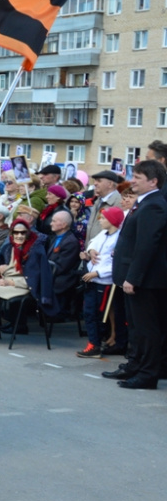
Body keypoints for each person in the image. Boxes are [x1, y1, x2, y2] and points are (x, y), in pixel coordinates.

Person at [105, 161, 167, 390]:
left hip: (146, 280)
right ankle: (135, 365)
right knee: (135, 327)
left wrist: (133, 277)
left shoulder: (154, 205)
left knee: (146, 329)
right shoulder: (144, 202)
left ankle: (148, 374)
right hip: (136, 277)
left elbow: (146, 246)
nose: (133, 181)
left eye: (138, 177)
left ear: (153, 181)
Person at [77, 206, 123, 358]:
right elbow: (92, 242)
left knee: (97, 314)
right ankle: (93, 343)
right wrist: (90, 251)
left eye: (103, 218)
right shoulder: (103, 233)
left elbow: (116, 264)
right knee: (89, 312)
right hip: (92, 279)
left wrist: (98, 273)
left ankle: (95, 345)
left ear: (112, 221)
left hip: (103, 282)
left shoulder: (119, 238)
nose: (100, 221)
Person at [46, 211, 80, 318]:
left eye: (54, 221)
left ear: (64, 225)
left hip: (64, 278)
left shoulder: (70, 242)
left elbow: (62, 267)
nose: (51, 223)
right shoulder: (55, 238)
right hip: (53, 273)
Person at [86, 170, 122, 244]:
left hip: (104, 249)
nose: (95, 183)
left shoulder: (119, 203)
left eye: (99, 181)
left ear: (110, 184)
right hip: (92, 248)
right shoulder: (98, 200)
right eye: (95, 181)